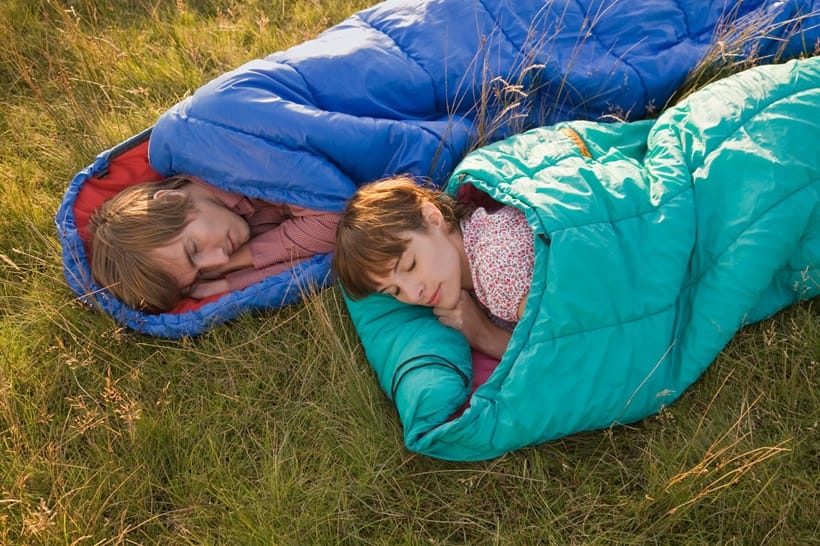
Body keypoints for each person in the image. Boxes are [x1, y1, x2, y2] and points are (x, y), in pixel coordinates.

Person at [333, 175, 534, 360]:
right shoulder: (473, 241)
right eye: (395, 291)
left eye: (410, 265)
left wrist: (484, 335)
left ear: (433, 217)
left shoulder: (496, 269)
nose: (413, 295)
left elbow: (559, 355)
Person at [89, 174, 340, 313]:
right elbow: (315, 260)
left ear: (170, 201)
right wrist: (225, 283)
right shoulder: (227, 222)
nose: (220, 260)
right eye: (200, 273)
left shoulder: (236, 167)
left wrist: (243, 259)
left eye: (194, 249)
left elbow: (336, 219)